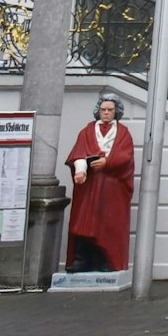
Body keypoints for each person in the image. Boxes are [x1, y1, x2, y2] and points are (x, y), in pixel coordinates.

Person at [63, 94, 135, 273]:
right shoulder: (87, 132)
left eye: (110, 110)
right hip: (89, 187)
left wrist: (107, 162)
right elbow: (77, 154)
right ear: (98, 111)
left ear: (116, 112)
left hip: (111, 190)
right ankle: (82, 259)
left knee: (108, 224)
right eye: (103, 110)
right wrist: (81, 169)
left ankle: (106, 259)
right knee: (83, 222)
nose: (106, 113)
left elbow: (126, 157)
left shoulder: (123, 133)